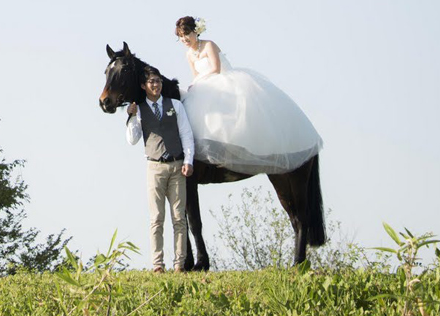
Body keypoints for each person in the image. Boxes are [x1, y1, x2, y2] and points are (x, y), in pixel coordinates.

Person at [175, 16, 322, 175]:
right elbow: (195, 74)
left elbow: (216, 68)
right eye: (181, 36)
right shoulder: (189, 54)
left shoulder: (208, 45)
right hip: (205, 86)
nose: (184, 39)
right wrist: (194, 84)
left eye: (186, 34)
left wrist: (199, 81)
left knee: (240, 114)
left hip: (224, 80)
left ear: (195, 31)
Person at [125, 66, 195, 273]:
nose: (156, 85)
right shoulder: (139, 109)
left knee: (179, 217)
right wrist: (131, 117)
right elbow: (132, 139)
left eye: (158, 81)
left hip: (177, 165)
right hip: (155, 166)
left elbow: (186, 133)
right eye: (152, 82)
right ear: (143, 86)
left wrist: (188, 160)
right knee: (156, 218)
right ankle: (157, 264)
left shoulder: (175, 105)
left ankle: (179, 264)